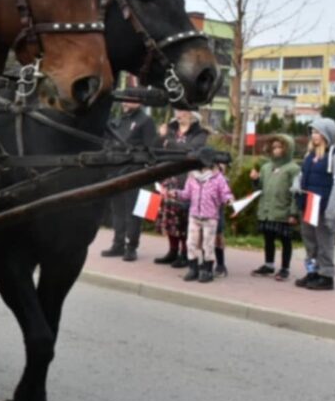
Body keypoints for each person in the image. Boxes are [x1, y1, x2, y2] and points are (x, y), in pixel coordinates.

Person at [100, 98, 159, 261]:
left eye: (130, 99)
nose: (126, 102)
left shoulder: (145, 121)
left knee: (133, 212)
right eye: (124, 99)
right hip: (116, 171)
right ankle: (118, 244)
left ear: (139, 102)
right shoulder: (118, 120)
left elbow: (151, 148)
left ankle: (131, 246)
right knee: (117, 210)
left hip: (135, 172)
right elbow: (107, 141)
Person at [294, 117, 335, 291]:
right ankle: (312, 272)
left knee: (325, 242)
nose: (314, 135)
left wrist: (331, 211)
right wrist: (296, 185)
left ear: (327, 134)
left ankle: (326, 276)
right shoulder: (310, 155)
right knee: (310, 241)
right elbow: (302, 175)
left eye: (317, 132)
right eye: (312, 131)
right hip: (308, 204)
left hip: (323, 207)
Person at [154, 110, 209, 269]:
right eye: (178, 111)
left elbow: (189, 151)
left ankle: (186, 253)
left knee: (184, 220)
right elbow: (157, 149)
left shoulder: (200, 133)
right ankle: (172, 251)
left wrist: (169, 142)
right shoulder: (170, 129)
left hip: (186, 180)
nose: (180, 114)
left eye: (184, 111)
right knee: (171, 218)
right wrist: (162, 136)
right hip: (168, 177)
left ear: (193, 115)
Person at [171, 162, 235, 283]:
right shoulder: (192, 176)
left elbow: (225, 193)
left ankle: (207, 270)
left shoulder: (218, 177)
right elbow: (186, 194)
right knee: (191, 243)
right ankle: (193, 268)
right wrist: (177, 193)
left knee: (208, 245)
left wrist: (229, 200)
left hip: (210, 216)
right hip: (194, 215)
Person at [249, 134, 301, 281]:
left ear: (288, 149)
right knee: (268, 238)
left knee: (285, 240)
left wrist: (293, 213)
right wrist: (255, 180)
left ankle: (285, 268)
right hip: (267, 211)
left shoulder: (293, 169)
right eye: (274, 147)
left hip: (283, 211)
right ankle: (269, 264)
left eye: (280, 147)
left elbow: (295, 192)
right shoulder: (266, 167)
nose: (276, 150)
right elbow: (259, 189)